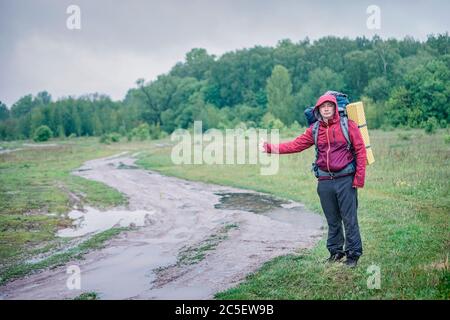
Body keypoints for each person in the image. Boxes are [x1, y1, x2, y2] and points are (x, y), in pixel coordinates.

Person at [262, 93, 367, 268]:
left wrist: (359, 178)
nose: (326, 109)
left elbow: (360, 151)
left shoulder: (348, 126)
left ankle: (353, 256)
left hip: (345, 179)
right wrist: (269, 147)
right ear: (318, 110)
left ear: (335, 108)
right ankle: (335, 252)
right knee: (332, 219)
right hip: (324, 181)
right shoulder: (315, 130)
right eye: (322, 106)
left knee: (349, 219)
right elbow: (295, 145)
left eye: (329, 105)